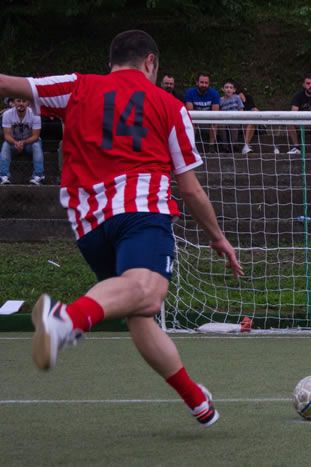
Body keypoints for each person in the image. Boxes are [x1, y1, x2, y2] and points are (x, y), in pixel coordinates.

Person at [0, 29, 244, 427]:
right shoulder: (170, 105)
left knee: (138, 311)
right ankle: (65, 320)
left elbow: (8, 84)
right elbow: (190, 188)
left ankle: (196, 399)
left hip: (88, 224)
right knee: (147, 294)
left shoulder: (77, 87)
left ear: (111, 61)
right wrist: (218, 237)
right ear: (150, 62)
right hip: (141, 210)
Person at [1, 97, 44, 185]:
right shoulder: (7, 114)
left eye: (24, 101)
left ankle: (38, 175)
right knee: (5, 145)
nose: (21, 103)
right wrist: (15, 142)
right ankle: (3, 175)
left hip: (29, 144)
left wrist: (23, 142)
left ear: (28, 103)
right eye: (18, 101)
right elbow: (7, 135)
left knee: (36, 144)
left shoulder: (35, 114)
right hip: (14, 144)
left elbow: (35, 136)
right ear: (14, 102)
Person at [234, 81, 280, 155]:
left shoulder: (248, 97)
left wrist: (244, 101)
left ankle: (246, 145)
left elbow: (253, 109)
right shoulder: (230, 99)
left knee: (253, 118)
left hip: (248, 121)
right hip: (237, 122)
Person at [185, 72, 220, 144]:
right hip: (195, 118)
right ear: (197, 82)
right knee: (190, 122)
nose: (204, 85)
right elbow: (190, 112)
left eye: (206, 83)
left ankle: (211, 146)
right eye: (202, 82)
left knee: (214, 123)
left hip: (209, 118)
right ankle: (191, 144)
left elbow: (215, 113)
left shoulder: (214, 93)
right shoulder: (190, 92)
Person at [218, 79, 245, 151]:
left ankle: (234, 145)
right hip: (224, 119)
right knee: (221, 126)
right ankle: (225, 146)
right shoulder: (220, 100)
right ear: (223, 89)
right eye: (226, 87)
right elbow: (219, 111)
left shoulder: (237, 97)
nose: (228, 89)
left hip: (235, 119)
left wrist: (241, 119)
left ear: (234, 90)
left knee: (234, 125)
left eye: (230, 87)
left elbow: (241, 109)